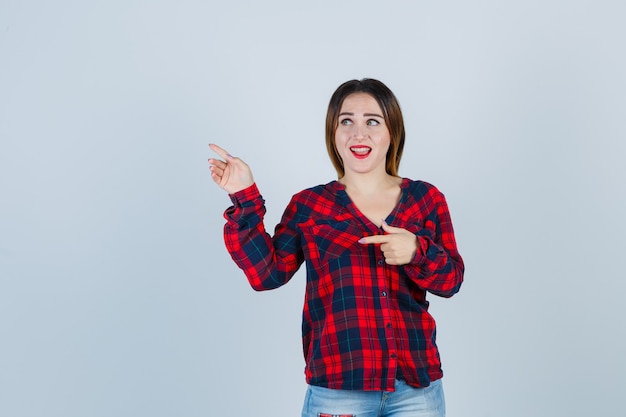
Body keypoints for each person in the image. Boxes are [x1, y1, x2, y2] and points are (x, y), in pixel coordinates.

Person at [208, 78, 464, 417]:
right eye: (347, 121)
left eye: (372, 121)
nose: (359, 134)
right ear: (334, 133)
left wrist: (417, 251)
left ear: (392, 131)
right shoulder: (310, 205)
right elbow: (267, 275)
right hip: (338, 392)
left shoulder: (426, 199)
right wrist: (245, 196)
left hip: (416, 391)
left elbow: (452, 281)